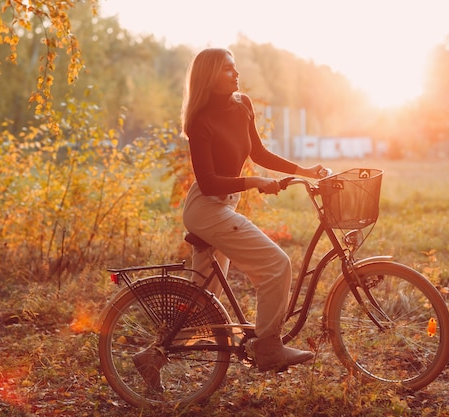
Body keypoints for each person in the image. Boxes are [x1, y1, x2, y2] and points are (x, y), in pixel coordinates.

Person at [134, 47, 326, 390]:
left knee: (201, 304)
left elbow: (259, 152)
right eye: (227, 70)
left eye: (235, 68)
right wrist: (254, 181)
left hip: (224, 206)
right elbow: (207, 183)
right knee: (276, 265)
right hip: (207, 208)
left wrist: (305, 171)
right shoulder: (200, 121)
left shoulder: (243, 105)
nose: (235, 75)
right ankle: (268, 346)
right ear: (209, 76)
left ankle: (152, 357)